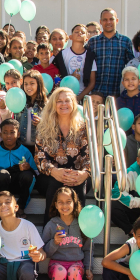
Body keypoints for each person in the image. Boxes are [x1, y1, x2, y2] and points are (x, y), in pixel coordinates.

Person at [42, 187, 95, 280]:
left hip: (76, 264)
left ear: (75, 203)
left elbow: (88, 248)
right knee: (60, 272)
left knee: (73, 272)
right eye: (60, 202)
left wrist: (89, 268)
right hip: (56, 264)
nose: (64, 206)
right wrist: (54, 242)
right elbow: (44, 251)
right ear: (55, 204)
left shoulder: (81, 224)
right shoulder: (52, 224)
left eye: (68, 202)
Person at [35, 87, 91, 224]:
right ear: (53, 104)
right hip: (49, 177)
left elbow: (89, 157)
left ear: (73, 104)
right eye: (59, 101)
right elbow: (40, 157)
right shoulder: (44, 127)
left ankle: (79, 234)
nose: (63, 104)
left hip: (77, 176)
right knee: (56, 183)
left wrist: (84, 173)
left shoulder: (84, 128)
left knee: (78, 184)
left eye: (67, 100)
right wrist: (54, 171)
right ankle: (49, 232)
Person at [0, 119, 37, 215]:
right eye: (5, 133)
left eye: (12, 132)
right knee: (2, 174)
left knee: (27, 175)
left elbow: (36, 172)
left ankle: (21, 207)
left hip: (20, 185)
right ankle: (2, 206)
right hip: (2, 184)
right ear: (1, 135)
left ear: (18, 134)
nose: (9, 136)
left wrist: (28, 167)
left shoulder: (25, 151)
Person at [87, 8, 134, 102]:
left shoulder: (125, 41)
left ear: (117, 20)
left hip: (117, 94)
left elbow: (131, 66)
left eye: (111, 19)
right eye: (105, 19)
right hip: (96, 93)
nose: (108, 22)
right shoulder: (93, 42)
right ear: (100, 22)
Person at [53, 24, 96, 102]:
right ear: (70, 37)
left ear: (86, 39)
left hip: (84, 97)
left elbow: (92, 82)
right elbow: (56, 76)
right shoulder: (62, 54)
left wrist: (79, 97)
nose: (79, 33)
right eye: (76, 31)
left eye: (82, 32)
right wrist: (70, 77)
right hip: (65, 96)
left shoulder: (90, 56)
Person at [18, 71, 47, 152]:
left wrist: (41, 123)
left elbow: (51, 125)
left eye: (32, 83)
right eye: (26, 84)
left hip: (38, 147)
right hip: (21, 146)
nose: (28, 87)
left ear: (39, 84)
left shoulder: (46, 105)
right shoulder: (21, 102)